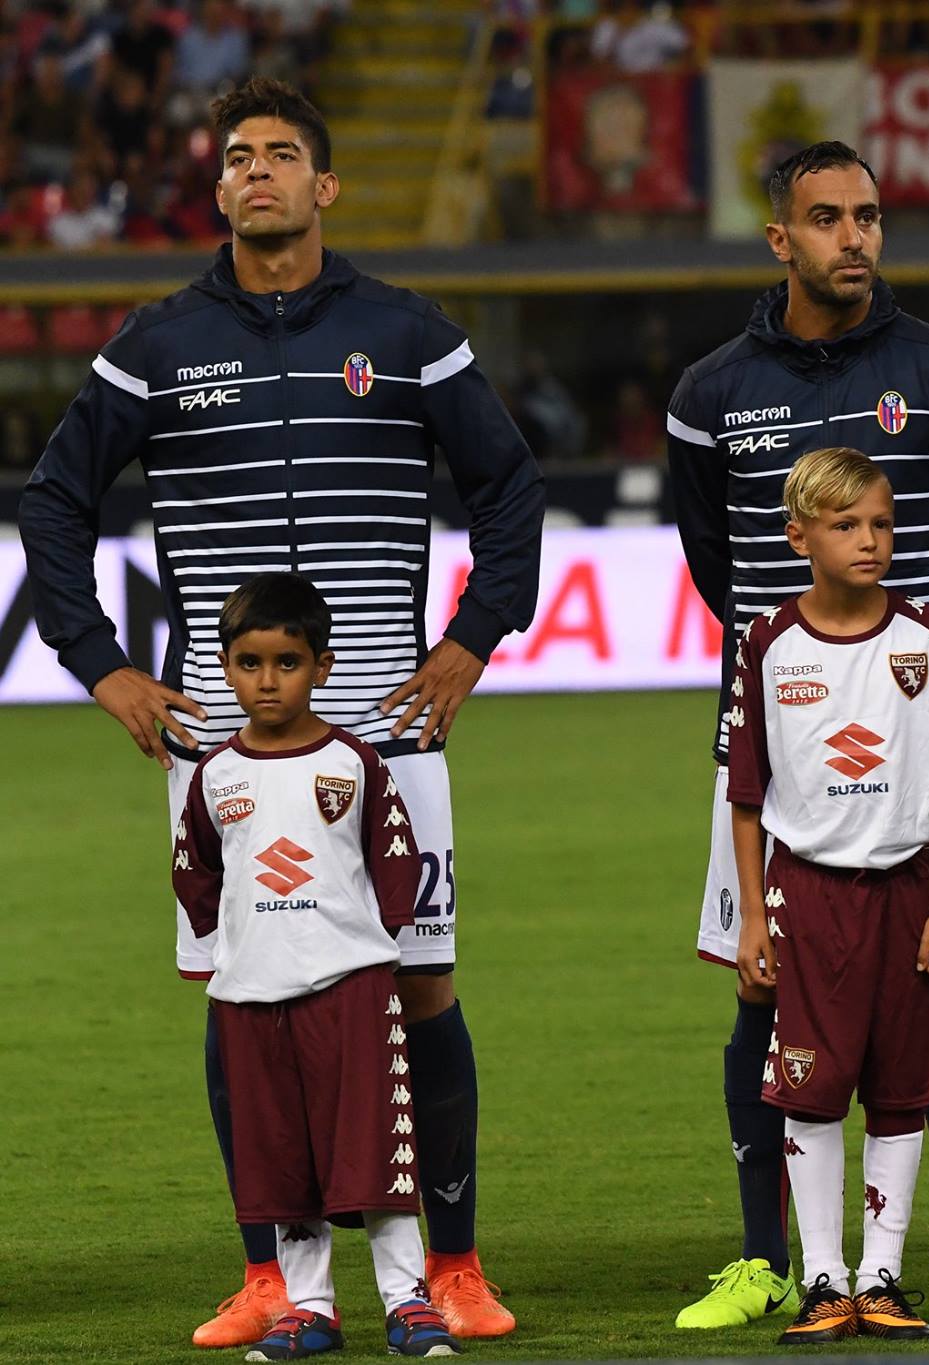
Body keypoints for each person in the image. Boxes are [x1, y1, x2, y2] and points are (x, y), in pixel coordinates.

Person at [17, 77, 541, 1347]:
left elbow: (509, 488)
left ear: (326, 186)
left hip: (389, 731)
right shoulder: (151, 345)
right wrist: (107, 666)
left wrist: (472, 640)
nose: (258, 172)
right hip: (223, 743)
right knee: (242, 999)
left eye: (282, 155)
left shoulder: (409, 334)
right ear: (218, 188)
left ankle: (453, 1265)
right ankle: (269, 1275)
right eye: (238, 156)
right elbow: (53, 506)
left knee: (421, 987)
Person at [666, 140, 929, 1330]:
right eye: (827, 219)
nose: (854, 238)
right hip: (785, 746)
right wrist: (812, 667)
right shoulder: (711, 392)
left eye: (867, 216)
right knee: (758, 997)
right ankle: (768, 1258)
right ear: (780, 239)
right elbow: (719, 570)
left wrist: (897, 665)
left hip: (921, 751)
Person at [724, 447, 929, 1345]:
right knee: (810, 1089)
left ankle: (884, 1272)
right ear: (798, 535)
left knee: (903, 1089)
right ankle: (824, 1278)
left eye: (880, 522)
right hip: (810, 895)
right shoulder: (766, 642)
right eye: (846, 526)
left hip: (912, 890)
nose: (870, 540)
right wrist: (754, 915)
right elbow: (747, 791)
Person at [171, 574, 463, 1361]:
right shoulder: (215, 776)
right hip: (251, 994)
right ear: (226, 666)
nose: (268, 680)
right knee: (279, 1153)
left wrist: (359, 946)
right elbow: (194, 871)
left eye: (288, 662)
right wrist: (238, 946)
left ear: (323, 666)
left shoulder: (355, 762)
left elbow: (396, 861)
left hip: (352, 991)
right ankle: (311, 1309)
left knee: (373, 1148)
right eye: (250, 662)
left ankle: (408, 1302)